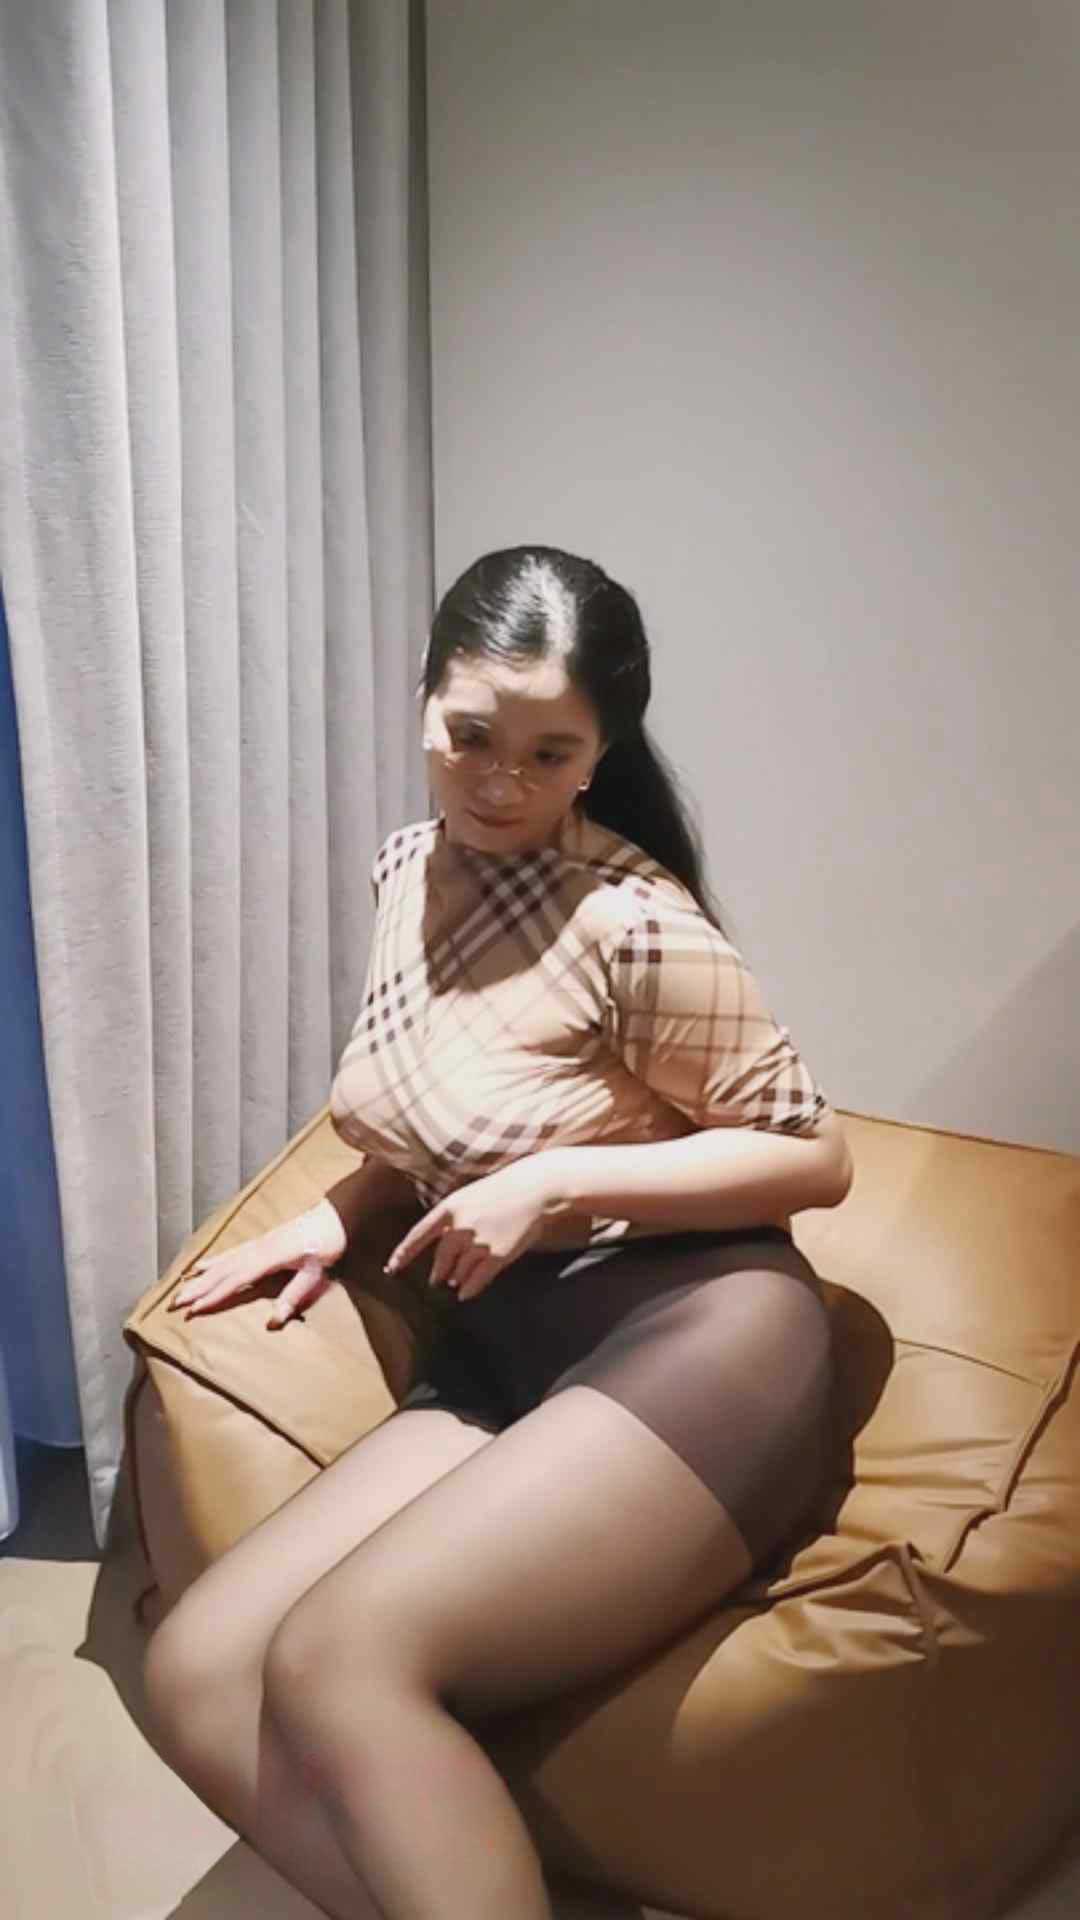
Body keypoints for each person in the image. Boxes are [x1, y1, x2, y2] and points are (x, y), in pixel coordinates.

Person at [142, 546, 853, 1920]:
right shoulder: (407, 869)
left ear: (599, 758)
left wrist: (561, 1182)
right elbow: (438, 1103)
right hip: (508, 1340)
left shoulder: (632, 922)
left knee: (340, 1661)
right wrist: (338, 1212)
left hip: (695, 1333)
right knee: (199, 1670)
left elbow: (817, 1160)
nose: (499, 782)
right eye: (470, 735)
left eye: (549, 754)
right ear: (423, 701)